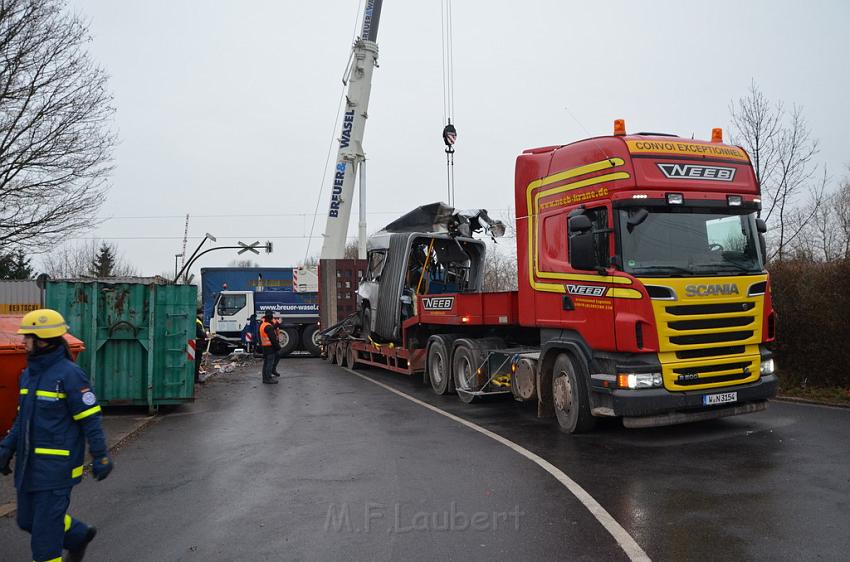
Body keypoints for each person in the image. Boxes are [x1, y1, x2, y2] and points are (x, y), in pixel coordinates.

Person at [0, 309, 114, 562]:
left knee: (45, 540)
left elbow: (90, 420)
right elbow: (22, 418)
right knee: (27, 520)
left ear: (43, 340)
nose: (22, 342)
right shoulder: (29, 375)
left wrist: (101, 455)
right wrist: (6, 448)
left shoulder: (70, 375)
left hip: (56, 469)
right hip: (29, 466)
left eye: (26, 338)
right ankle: (78, 535)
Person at [258, 311, 280, 384]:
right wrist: (278, 347)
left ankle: (265, 378)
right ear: (270, 318)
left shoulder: (263, 325)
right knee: (269, 363)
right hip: (269, 347)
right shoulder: (268, 327)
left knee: (266, 363)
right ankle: (268, 378)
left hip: (265, 347)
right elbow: (273, 339)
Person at [194, 309, 207, 383]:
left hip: (197, 343)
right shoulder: (197, 322)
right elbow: (199, 333)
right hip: (198, 344)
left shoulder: (197, 321)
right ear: (199, 314)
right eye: (202, 314)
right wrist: (205, 335)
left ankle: (195, 378)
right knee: (197, 362)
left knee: (196, 361)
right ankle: (196, 379)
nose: (203, 316)